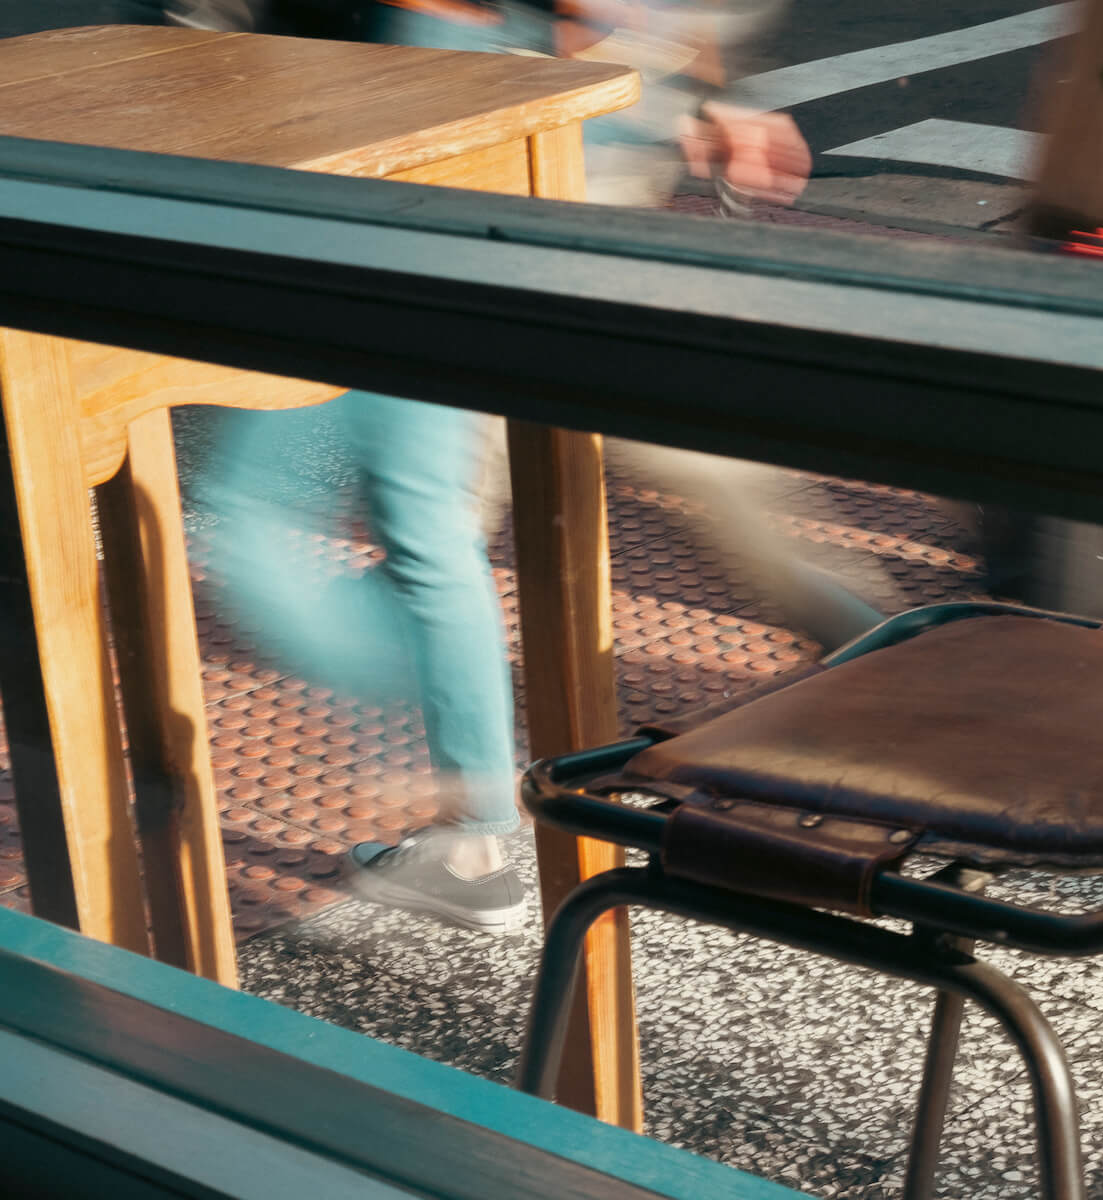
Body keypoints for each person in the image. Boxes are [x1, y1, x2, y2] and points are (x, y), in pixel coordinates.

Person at [183, 0, 876, 935]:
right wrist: (702, 98)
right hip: (541, 185)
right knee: (655, 483)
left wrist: (697, 95)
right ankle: (900, 661)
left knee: (371, 524)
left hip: (482, 197)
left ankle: (467, 819)